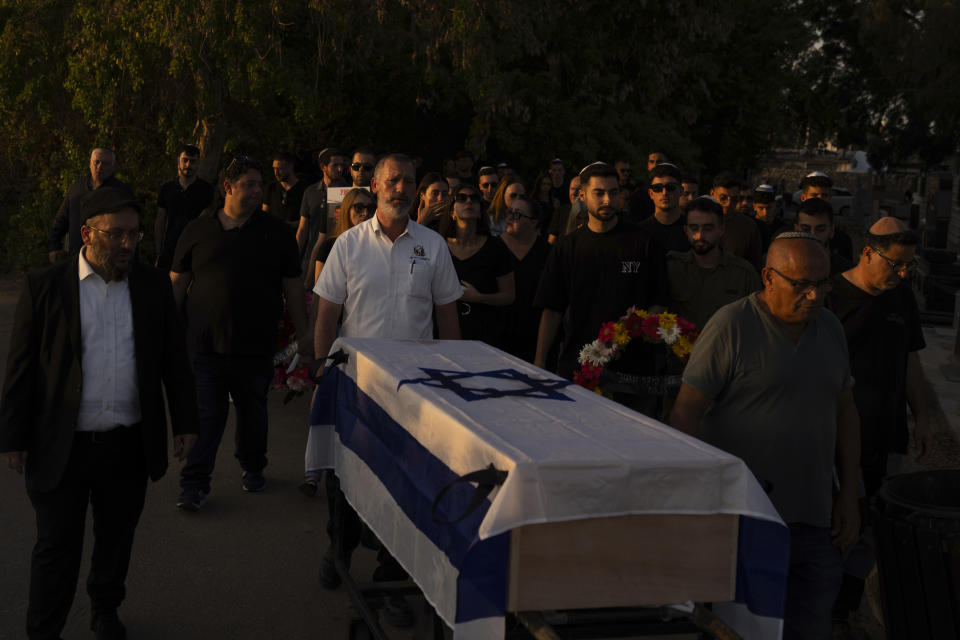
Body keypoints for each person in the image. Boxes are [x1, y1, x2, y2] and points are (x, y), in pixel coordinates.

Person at [1, 186, 198, 640]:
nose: (128, 244)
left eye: (134, 234)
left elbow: (173, 359)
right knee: (56, 546)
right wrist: (12, 435)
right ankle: (43, 627)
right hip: (62, 444)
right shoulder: (45, 287)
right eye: (117, 235)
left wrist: (186, 421)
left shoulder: (151, 286)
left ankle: (105, 609)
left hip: (126, 443)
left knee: (116, 538)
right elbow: (21, 370)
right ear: (87, 233)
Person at [670, 233, 860, 640]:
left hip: (815, 520)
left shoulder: (829, 328)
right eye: (801, 285)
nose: (814, 296)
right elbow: (686, 413)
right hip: (746, 520)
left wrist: (848, 496)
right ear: (768, 277)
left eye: (822, 284)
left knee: (809, 626)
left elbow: (845, 412)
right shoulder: (732, 325)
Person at [313, 153, 462, 627]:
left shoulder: (434, 246)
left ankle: (389, 578)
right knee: (347, 480)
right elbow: (326, 315)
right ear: (374, 186)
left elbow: (447, 316)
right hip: (358, 386)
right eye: (392, 180)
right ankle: (339, 548)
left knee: (405, 485)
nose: (401, 188)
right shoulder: (348, 246)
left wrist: (453, 376)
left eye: (409, 181)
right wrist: (322, 369)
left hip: (417, 393)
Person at [170, 156, 308, 510]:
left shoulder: (276, 233)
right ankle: (194, 485)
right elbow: (177, 282)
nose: (258, 191)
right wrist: (167, 330)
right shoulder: (197, 230)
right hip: (204, 345)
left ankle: (253, 465)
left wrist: (303, 334)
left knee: (253, 413)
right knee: (207, 416)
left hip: (255, 345)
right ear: (227, 188)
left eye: (260, 185)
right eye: (250, 184)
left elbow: (293, 286)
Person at [827, 218, 933, 628]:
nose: (903, 273)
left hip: (887, 433)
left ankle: (845, 606)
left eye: (909, 265)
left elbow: (910, 360)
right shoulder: (832, 296)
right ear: (868, 253)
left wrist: (921, 417)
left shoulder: (902, 299)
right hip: (838, 436)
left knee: (873, 524)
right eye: (896, 264)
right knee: (837, 521)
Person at [534, 162, 667, 379]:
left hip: (633, 370)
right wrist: (539, 361)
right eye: (599, 193)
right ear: (582, 195)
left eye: (613, 192)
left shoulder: (643, 242)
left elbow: (659, 300)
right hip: (579, 366)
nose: (607, 200)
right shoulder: (567, 247)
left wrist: (642, 324)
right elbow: (552, 308)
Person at [299, 188, 375, 497]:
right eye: (357, 207)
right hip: (334, 334)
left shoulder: (376, 247)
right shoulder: (331, 245)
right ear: (343, 211)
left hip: (362, 337)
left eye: (370, 207)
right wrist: (314, 345)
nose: (364, 212)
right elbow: (321, 299)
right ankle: (313, 471)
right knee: (323, 402)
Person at [666, 196, 760, 329]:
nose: (700, 236)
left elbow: (755, 322)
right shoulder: (672, 267)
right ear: (686, 231)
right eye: (694, 228)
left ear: (721, 229)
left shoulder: (744, 275)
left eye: (708, 228)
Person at [440, 183, 515, 344]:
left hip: (484, 336)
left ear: (481, 211)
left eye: (474, 199)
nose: (469, 202)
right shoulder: (438, 245)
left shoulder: (496, 247)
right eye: (461, 198)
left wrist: (479, 297)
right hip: (443, 335)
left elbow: (509, 296)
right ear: (452, 212)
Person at [47, 148, 129, 264]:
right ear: (90, 163)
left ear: (112, 167)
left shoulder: (120, 193)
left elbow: (129, 228)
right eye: (97, 162)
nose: (100, 167)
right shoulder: (76, 188)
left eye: (105, 164)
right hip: (76, 256)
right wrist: (54, 246)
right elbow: (62, 219)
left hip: (107, 259)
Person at [499, 195, 550, 362]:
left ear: (534, 222)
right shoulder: (494, 248)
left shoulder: (548, 253)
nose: (510, 218)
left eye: (517, 215)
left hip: (534, 338)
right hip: (498, 337)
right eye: (509, 212)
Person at [154, 144, 215, 272]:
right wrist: (159, 252)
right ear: (178, 161)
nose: (188, 165)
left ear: (198, 164)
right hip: (169, 249)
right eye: (185, 160)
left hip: (195, 250)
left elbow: (210, 222)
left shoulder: (207, 190)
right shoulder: (167, 189)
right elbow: (160, 221)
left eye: (193, 162)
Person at [300, 148, 351, 288]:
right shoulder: (310, 192)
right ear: (323, 167)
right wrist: (294, 259)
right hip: (311, 258)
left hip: (339, 258)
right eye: (335, 165)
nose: (340, 169)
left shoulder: (350, 192)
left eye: (342, 165)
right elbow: (303, 229)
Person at [710, 171, 763, 271]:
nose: (729, 204)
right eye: (723, 198)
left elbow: (756, 266)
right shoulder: (699, 221)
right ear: (713, 194)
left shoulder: (748, 226)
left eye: (734, 199)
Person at [798, 171, 854, 261]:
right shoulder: (786, 236)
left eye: (824, 195)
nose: (820, 199)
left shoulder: (842, 240)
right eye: (814, 195)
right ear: (803, 198)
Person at [638, 162, 690, 253]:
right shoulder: (639, 232)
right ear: (651, 193)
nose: (664, 192)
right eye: (658, 188)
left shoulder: (693, 229)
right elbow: (630, 266)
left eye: (670, 187)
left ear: (681, 191)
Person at [794, 198, 853, 275]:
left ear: (832, 231)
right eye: (806, 229)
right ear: (796, 230)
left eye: (820, 229)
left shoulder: (847, 272)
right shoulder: (785, 266)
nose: (813, 235)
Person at [263, 151, 306, 233]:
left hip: (295, 237)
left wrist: (292, 224)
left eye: (280, 169)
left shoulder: (304, 189)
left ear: (290, 166)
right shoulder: (271, 188)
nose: (276, 173)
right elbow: (264, 213)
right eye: (274, 168)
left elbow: (309, 218)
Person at [547, 175, 582, 243]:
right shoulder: (560, 211)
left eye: (578, 189)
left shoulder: (592, 213)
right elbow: (551, 241)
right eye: (572, 189)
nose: (574, 193)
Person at [752, 183, 784, 252]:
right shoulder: (749, 226)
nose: (765, 213)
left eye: (769, 208)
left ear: (775, 205)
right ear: (754, 206)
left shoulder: (782, 228)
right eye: (761, 208)